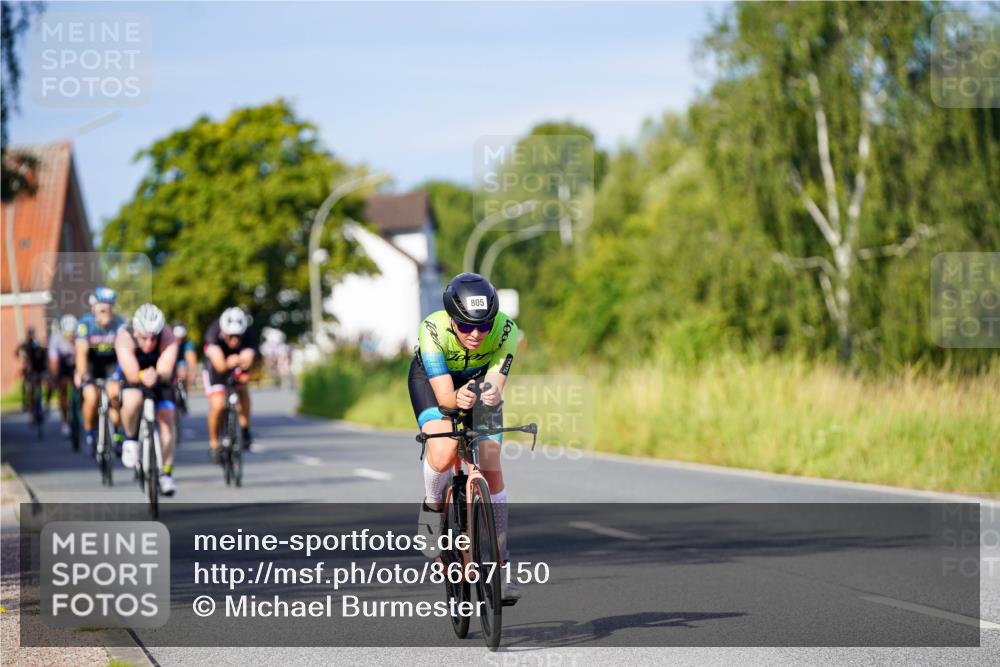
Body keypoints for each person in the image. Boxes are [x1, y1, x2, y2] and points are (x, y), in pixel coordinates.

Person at [410, 272, 521, 604]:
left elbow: (494, 387)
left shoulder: (505, 329)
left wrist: (480, 392)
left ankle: (501, 568)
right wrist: (458, 398)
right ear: (451, 319)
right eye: (466, 326)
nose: (475, 334)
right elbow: (445, 397)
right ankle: (432, 508)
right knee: (443, 452)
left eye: (483, 326)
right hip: (434, 384)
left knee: (489, 460)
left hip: (476, 385)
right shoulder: (432, 329)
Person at [116, 303, 179, 496]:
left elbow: (167, 368)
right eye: (144, 338)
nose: (150, 343)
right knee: (133, 401)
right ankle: (130, 439)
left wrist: (157, 375)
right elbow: (130, 372)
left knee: (167, 419)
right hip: (135, 375)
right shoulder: (124, 337)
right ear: (136, 332)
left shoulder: (167, 335)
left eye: (154, 338)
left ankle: (166, 474)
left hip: (160, 377)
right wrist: (143, 376)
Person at [75, 287, 126, 460]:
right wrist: (82, 373)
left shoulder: (120, 324)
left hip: (111, 364)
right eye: (103, 308)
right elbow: (81, 352)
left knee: (114, 395)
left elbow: (123, 352)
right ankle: (89, 434)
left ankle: (118, 434)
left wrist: (122, 374)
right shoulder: (85, 325)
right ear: (94, 308)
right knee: (91, 397)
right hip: (91, 364)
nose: (107, 312)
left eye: (110, 307)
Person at [203, 307, 257, 463]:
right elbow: (219, 366)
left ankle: (245, 429)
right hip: (216, 367)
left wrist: (244, 369)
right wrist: (229, 363)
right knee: (218, 405)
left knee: (243, 390)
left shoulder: (249, 334)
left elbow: (249, 358)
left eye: (238, 337)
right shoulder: (213, 334)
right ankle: (214, 444)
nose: (234, 340)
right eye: (231, 336)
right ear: (224, 332)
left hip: (236, 365)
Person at [47, 315, 78, 437]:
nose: (70, 338)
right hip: (63, 364)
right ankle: (65, 422)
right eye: (68, 335)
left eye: (72, 335)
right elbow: (54, 361)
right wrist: (54, 378)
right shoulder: (56, 338)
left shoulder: (81, 334)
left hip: (77, 361)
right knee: (63, 388)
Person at [16, 326, 48, 417]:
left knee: (45, 384)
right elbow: (16, 352)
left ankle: (44, 404)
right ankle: (28, 404)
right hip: (30, 370)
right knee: (27, 386)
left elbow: (44, 354)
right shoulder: (25, 344)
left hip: (39, 368)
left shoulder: (38, 343)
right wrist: (21, 358)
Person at [172, 324, 198, 405]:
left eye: (181, 338)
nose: (179, 340)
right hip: (171, 362)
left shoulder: (187, 344)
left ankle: (184, 394)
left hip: (182, 363)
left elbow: (191, 360)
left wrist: (192, 373)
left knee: (183, 371)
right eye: (177, 338)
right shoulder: (169, 343)